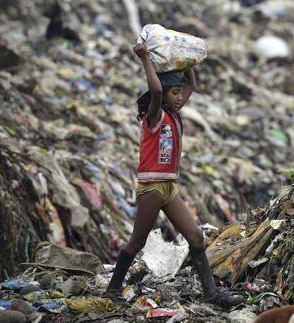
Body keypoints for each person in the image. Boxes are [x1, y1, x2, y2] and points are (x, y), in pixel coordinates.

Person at [104, 43, 244, 308]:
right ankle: (112, 291)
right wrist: (145, 58)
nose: (180, 97)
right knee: (137, 241)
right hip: (152, 187)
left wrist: (188, 62)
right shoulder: (153, 116)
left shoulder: (173, 114)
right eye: (175, 93)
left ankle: (211, 294)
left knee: (195, 238)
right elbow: (156, 89)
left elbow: (192, 86)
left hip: (170, 188)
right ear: (165, 95)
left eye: (180, 93)